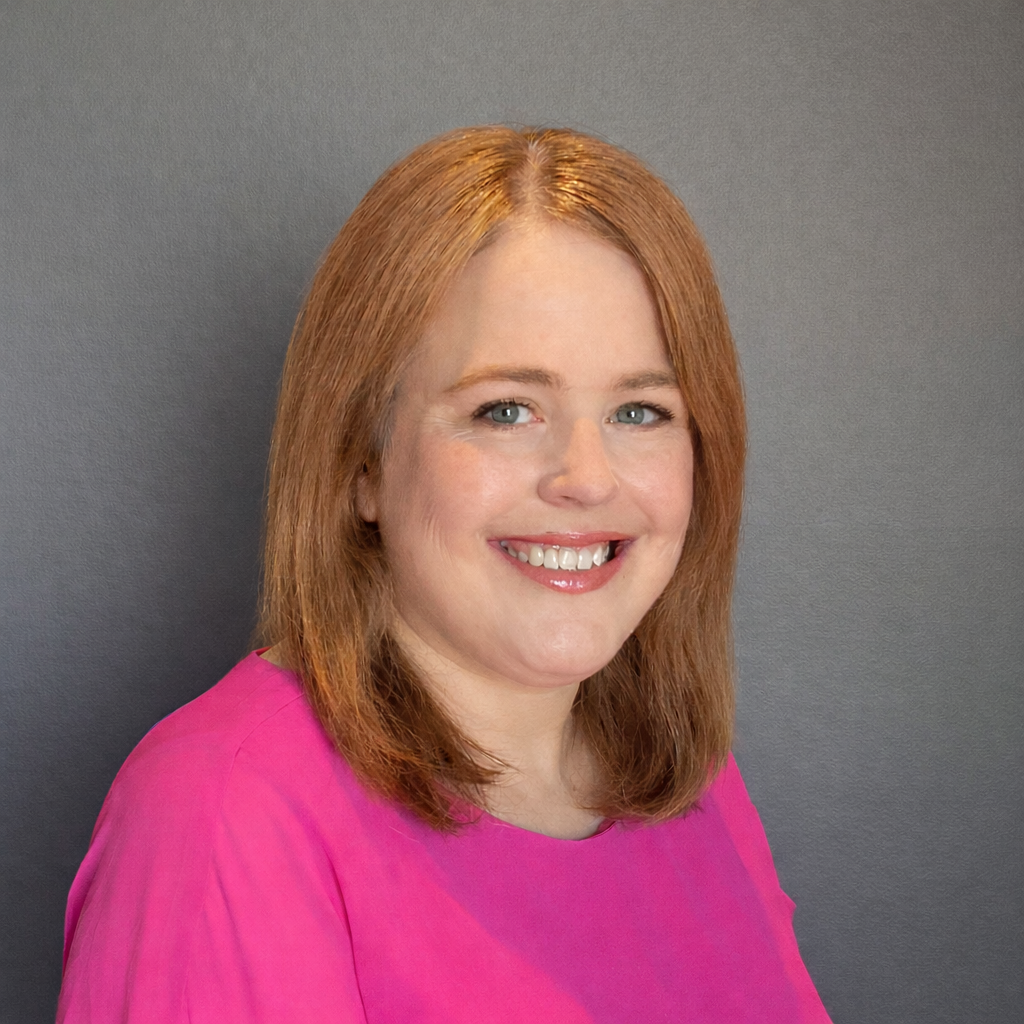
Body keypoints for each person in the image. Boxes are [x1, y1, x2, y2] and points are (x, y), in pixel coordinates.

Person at [57, 125, 832, 1022]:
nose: (586, 476)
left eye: (640, 409)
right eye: (506, 409)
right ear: (362, 463)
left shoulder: (688, 774)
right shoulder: (221, 810)